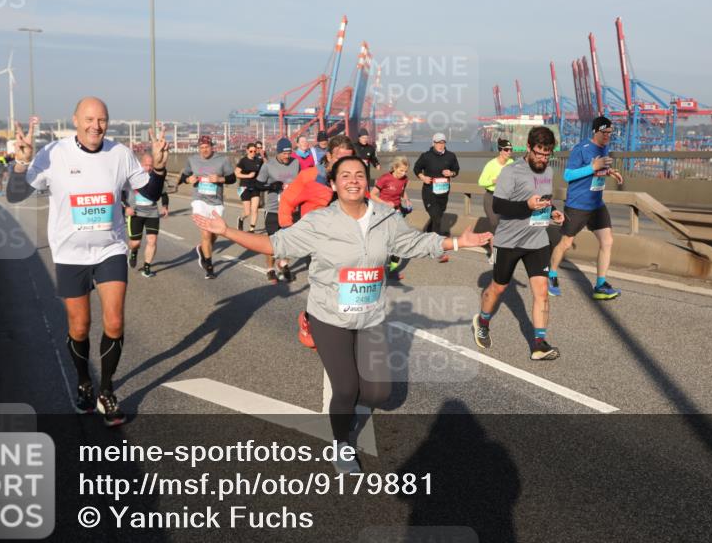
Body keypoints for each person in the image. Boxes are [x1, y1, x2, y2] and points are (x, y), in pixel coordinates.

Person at [193, 156, 491, 472]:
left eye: (359, 175)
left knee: (379, 392)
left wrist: (458, 242)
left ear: (367, 182)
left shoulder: (384, 218)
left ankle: (346, 409)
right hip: (329, 315)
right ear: (333, 184)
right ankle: (341, 443)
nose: (353, 180)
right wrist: (225, 230)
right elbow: (274, 245)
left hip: (370, 316)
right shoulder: (320, 222)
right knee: (346, 388)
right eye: (345, 175)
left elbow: (416, 243)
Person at [6, 97, 168, 426]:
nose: (96, 125)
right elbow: (15, 195)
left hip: (109, 250)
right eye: (89, 119)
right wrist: (21, 164)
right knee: (79, 326)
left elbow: (148, 194)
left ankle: (106, 390)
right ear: (76, 120)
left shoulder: (120, 154)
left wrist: (161, 167)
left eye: (103, 120)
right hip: (70, 255)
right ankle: (83, 381)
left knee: (115, 322)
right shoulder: (53, 154)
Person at [472, 126, 565, 361]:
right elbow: (499, 206)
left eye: (547, 154)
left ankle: (539, 343)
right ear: (529, 148)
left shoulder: (549, 172)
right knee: (499, 288)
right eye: (539, 153)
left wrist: (553, 212)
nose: (543, 159)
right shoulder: (511, 172)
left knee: (542, 293)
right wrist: (526, 206)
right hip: (510, 241)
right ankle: (482, 321)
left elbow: (542, 201)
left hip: (538, 240)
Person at [278, 134, 357, 347]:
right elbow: (287, 201)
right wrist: (287, 230)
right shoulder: (309, 176)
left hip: (345, 242)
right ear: (329, 156)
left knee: (344, 287)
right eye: (340, 157)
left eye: (349, 158)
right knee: (324, 286)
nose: (344, 162)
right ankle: (311, 321)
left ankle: (325, 323)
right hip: (315, 243)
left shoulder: (355, 178)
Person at [548, 115, 624, 300]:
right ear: (595, 131)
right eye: (604, 132)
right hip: (578, 205)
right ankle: (551, 275)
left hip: (596, 204)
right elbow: (568, 175)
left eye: (610, 133)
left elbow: (598, 170)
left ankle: (600, 285)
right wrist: (593, 167)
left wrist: (609, 172)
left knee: (607, 242)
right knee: (565, 243)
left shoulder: (604, 147)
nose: (607, 136)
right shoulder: (581, 149)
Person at [177, 135, 235, 280]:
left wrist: (220, 179)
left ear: (212, 146)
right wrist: (187, 179)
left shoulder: (223, 160)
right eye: (201, 148)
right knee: (206, 233)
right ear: (199, 148)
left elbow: (232, 178)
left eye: (207, 147)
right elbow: (183, 176)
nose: (204, 150)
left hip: (216, 201)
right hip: (199, 200)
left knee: (216, 233)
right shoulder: (192, 160)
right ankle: (209, 266)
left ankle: (203, 250)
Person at [256, 137, 300, 283]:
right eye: (284, 154)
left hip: (290, 209)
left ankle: (284, 264)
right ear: (278, 152)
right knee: (272, 243)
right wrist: (271, 187)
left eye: (289, 153)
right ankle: (270, 269)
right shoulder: (268, 166)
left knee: (287, 240)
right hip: (274, 209)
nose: (287, 157)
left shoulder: (296, 163)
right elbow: (257, 185)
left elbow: (300, 182)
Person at [413, 132, 460, 263]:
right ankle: (437, 250)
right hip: (429, 193)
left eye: (443, 142)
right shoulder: (426, 156)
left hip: (443, 194)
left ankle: (426, 236)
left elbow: (456, 170)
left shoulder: (451, 156)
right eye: (438, 142)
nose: (440, 145)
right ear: (433, 143)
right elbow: (416, 169)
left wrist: (451, 173)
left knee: (437, 217)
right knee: (437, 219)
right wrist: (423, 177)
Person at [124, 153, 169, 278]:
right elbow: (121, 193)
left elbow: (164, 193)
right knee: (135, 243)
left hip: (152, 212)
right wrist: (126, 207)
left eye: (151, 165)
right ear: (140, 164)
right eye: (146, 165)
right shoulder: (132, 177)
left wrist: (165, 206)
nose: (148, 168)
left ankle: (147, 267)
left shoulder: (155, 178)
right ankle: (133, 251)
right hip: (136, 213)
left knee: (152, 240)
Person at [370, 156, 412, 274]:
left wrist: (407, 200)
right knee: (384, 240)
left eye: (405, 171)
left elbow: (402, 191)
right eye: (401, 170)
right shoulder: (385, 178)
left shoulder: (405, 179)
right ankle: (378, 266)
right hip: (382, 212)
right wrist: (385, 203)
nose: (403, 174)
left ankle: (392, 269)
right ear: (394, 167)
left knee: (398, 239)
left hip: (397, 211)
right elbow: (372, 195)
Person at [478, 138, 515, 264]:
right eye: (506, 150)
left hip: (506, 198)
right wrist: (493, 181)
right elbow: (481, 182)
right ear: (500, 150)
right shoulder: (491, 164)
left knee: (506, 226)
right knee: (495, 225)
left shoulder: (511, 163)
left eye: (510, 149)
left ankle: (504, 252)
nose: (509, 152)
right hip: (491, 198)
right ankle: (494, 254)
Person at [235, 142, 264, 232]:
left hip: (255, 187)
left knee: (255, 209)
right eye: (251, 151)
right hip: (244, 187)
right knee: (247, 212)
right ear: (247, 151)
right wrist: (248, 176)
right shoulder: (243, 161)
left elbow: (266, 167)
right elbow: (237, 173)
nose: (253, 153)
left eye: (255, 151)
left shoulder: (259, 160)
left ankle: (252, 229)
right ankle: (241, 218)